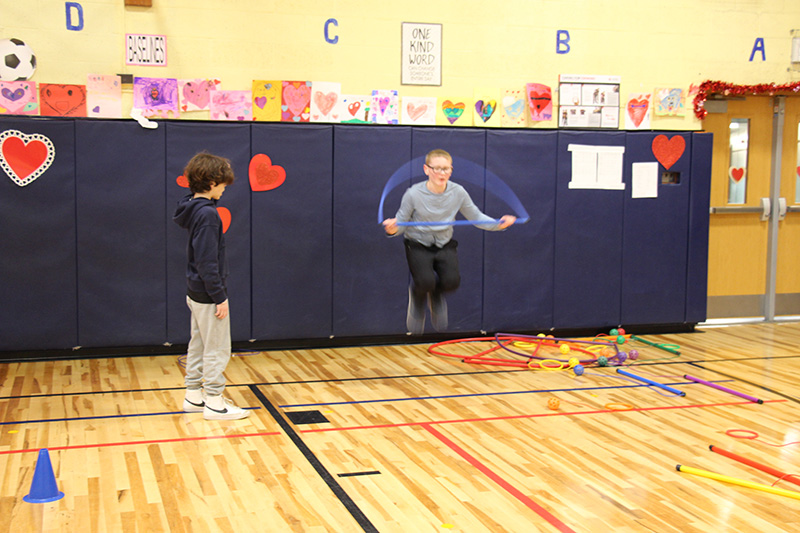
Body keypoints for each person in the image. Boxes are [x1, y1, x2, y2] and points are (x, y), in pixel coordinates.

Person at [382, 149, 516, 334]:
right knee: (425, 281)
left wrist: (499, 224)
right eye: (436, 168)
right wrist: (393, 228)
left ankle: (436, 296)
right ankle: (417, 297)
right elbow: (401, 223)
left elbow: (476, 217)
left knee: (452, 282)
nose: (441, 173)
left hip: (444, 243)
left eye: (445, 169)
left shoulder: (458, 192)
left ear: (451, 170)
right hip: (417, 244)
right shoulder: (413, 194)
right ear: (426, 169)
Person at [173, 152, 249, 420]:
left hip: (194, 290)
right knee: (217, 347)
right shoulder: (207, 215)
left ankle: (193, 396)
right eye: (222, 183)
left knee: (199, 344)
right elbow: (207, 261)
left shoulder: (192, 206)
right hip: (206, 292)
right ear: (211, 182)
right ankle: (215, 402)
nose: (225, 188)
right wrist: (220, 296)